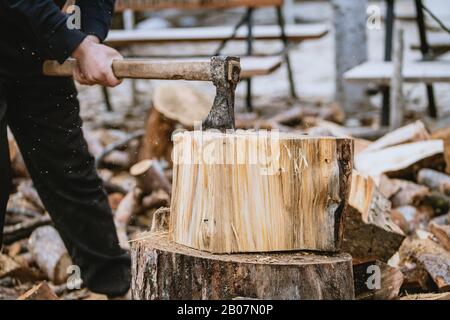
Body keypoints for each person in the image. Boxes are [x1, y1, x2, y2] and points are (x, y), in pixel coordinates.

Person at [0, 0, 131, 297]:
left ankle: (113, 283)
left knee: (68, 167)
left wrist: (90, 37)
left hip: (32, 40)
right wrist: (79, 46)